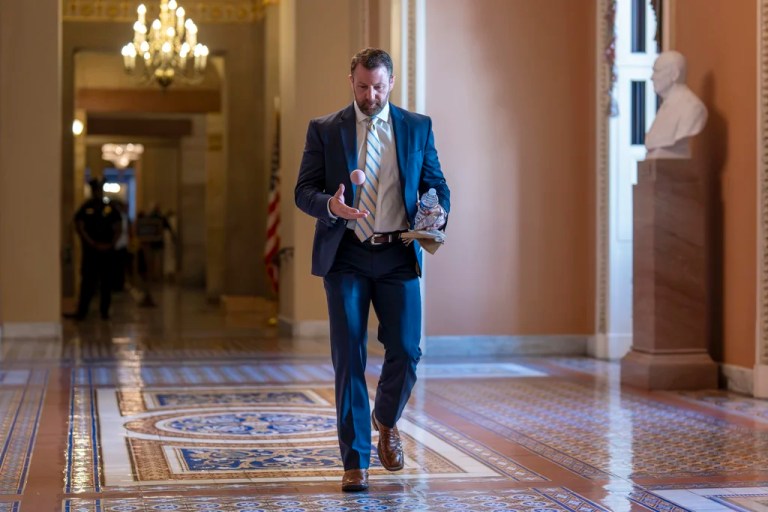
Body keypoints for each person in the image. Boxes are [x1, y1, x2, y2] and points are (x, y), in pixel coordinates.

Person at [294, 47, 450, 492]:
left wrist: (436, 215)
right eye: (363, 86)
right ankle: (355, 461)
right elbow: (303, 190)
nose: (370, 95)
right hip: (345, 254)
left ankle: (386, 419)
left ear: (391, 83)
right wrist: (331, 205)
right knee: (349, 357)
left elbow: (436, 185)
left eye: (378, 86)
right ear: (352, 81)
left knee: (406, 349)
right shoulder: (325, 129)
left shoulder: (417, 127)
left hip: (398, 252)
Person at [67, 178, 122, 320]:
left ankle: (104, 311)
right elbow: (79, 226)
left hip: (107, 251)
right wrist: (91, 243)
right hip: (91, 251)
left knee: (106, 282)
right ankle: (82, 311)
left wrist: (110, 244)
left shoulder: (110, 208)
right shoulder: (86, 207)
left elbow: (118, 228)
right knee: (88, 282)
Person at [645, 51, 708, 159]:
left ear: (675, 74)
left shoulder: (693, 108)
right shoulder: (665, 107)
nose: (652, 77)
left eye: (657, 71)